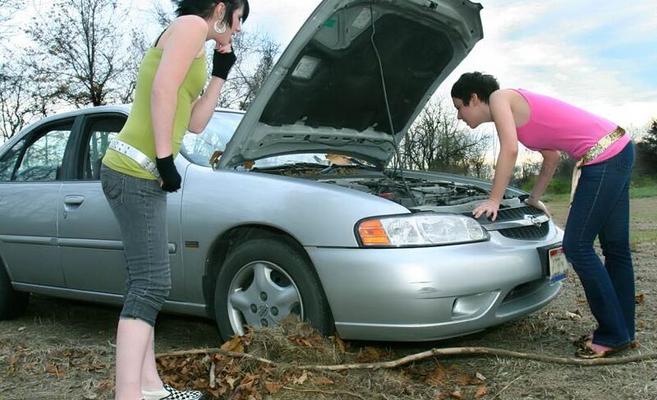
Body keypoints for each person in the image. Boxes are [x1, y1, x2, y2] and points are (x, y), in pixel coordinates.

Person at [100, 1, 249, 399]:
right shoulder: (188, 26)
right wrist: (166, 159)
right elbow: (163, 89)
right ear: (221, 9)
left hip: (140, 174)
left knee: (142, 283)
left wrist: (220, 73)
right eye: (238, 21)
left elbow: (195, 122)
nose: (237, 31)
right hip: (135, 169)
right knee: (151, 284)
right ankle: (128, 395)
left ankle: (148, 389)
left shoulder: (198, 46)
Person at [451, 72, 635, 359]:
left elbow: (509, 150)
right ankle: (623, 331)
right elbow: (552, 159)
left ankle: (612, 334)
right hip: (619, 147)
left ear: (475, 98)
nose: (460, 116)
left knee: (577, 246)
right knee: (616, 248)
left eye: (459, 107)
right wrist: (535, 198)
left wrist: (494, 199)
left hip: (603, 157)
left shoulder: (501, 97)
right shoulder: (518, 115)